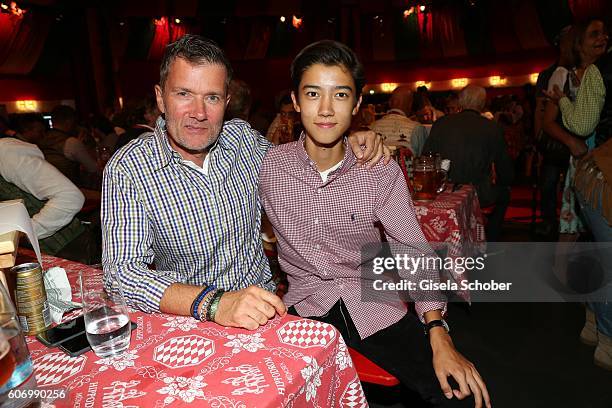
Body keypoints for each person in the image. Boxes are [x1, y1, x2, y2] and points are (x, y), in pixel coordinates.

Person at [259, 40, 490, 408]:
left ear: (356, 103)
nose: (325, 109)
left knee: (456, 395)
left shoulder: (378, 170)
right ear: (296, 100)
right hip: (303, 309)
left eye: (340, 95)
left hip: (369, 302)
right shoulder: (268, 167)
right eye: (313, 93)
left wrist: (436, 329)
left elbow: (411, 249)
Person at [101, 34, 387, 329]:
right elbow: (120, 274)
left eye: (211, 97)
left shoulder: (244, 142)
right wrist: (214, 303)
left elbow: (303, 167)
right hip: (189, 324)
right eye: (183, 94)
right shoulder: (130, 169)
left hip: (267, 314)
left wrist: (346, 140)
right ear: (160, 98)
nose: (199, 113)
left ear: (226, 102)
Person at [0, 115, 99, 263]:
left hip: (68, 251)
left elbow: (70, 197)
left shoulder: (6, 153)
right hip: (25, 255)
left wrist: (26, 232)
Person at [422, 85, 514, 241]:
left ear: (460, 103)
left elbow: (426, 158)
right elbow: (505, 171)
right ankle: (489, 239)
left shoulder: (441, 123)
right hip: (478, 193)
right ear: (483, 104)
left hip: (444, 190)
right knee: (504, 193)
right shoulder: (492, 128)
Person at [37, 105, 98, 186]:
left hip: (45, 187)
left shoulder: (40, 140)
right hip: (70, 188)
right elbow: (93, 168)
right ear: (69, 121)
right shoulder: (71, 142)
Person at [371, 85, 429, 156]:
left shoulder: (372, 126)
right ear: (410, 104)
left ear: (390, 103)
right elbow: (424, 158)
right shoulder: (417, 128)